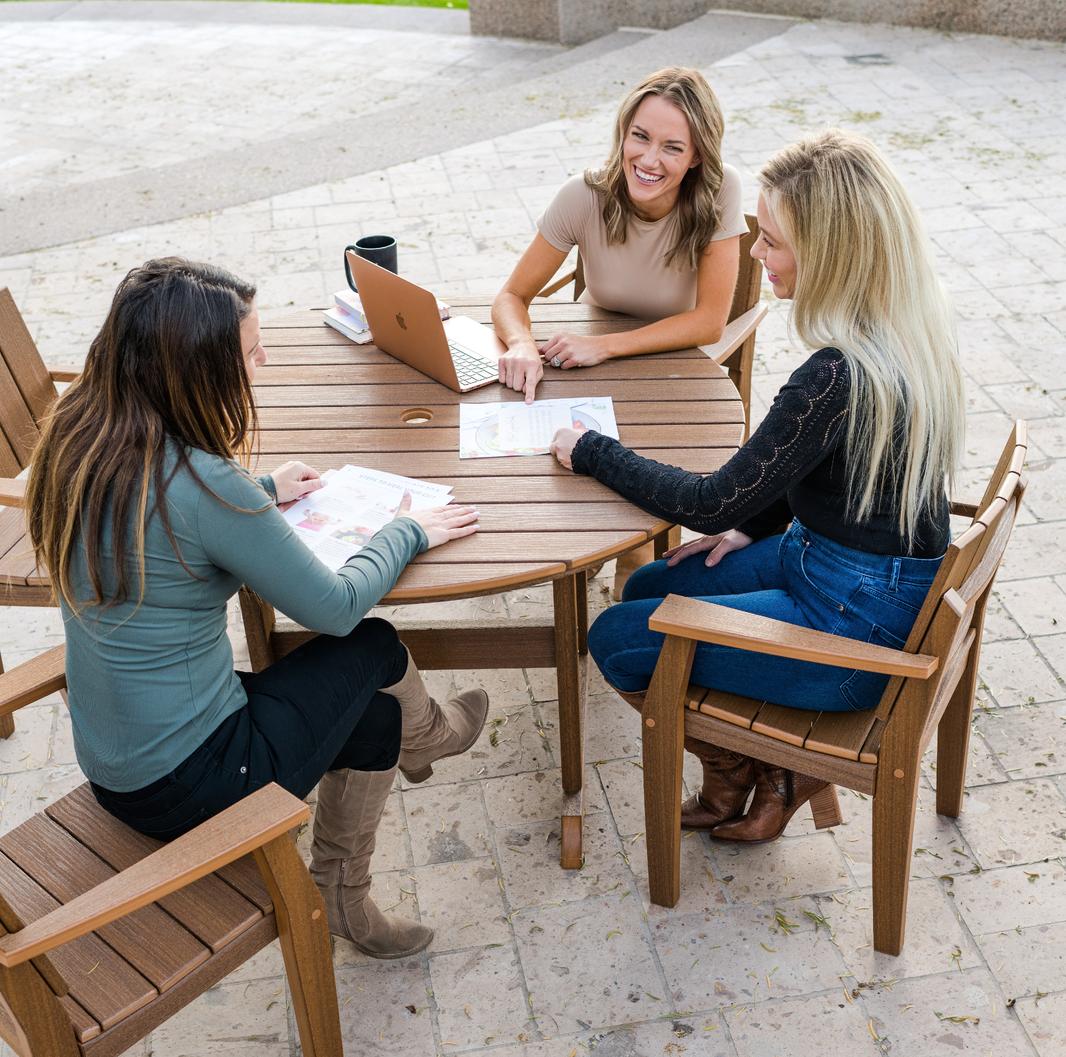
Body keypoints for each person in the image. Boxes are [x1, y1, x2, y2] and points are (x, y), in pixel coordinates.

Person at [26, 258, 487, 960]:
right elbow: (334, 608)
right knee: (371, 644)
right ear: (196, 371)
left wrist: (264, 490)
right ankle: (435, 738)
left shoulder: (82, 438)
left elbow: (167, 527)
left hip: (117, 764)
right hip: (196, 781)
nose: (261, 362)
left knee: (375, 716)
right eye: (250, 351)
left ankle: (345, 892)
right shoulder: (207, 486)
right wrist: (409, 530)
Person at [549, 130, 964, 843]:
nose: (754, 255)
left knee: (615, 637)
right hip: (845, 571)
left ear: (828, 254)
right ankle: (751, 769)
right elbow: (818, 472)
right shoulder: (901, 331)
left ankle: (752, 767)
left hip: (855, 634)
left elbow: (707, 501)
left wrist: (589, 449)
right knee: (648, 584)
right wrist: (754, 526)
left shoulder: (834, 377)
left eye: (770, 241)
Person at [493, 66, 748, 404]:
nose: (649, 160)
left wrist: (603, 347)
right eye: (640, 136)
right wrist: (521, 343)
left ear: (697, 156)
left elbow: (710, 323)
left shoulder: (720, 189)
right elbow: (511, 296)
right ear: (623, 133)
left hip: (673, 365)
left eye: (672, 148)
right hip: (586, 365)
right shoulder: (582, 195)